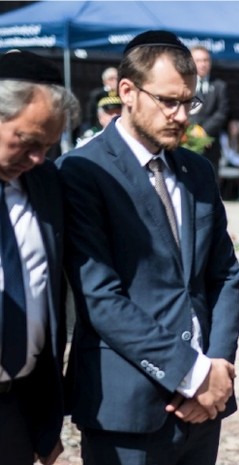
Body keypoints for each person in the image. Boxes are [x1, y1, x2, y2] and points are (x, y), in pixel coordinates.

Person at [57, 30, 239, 465]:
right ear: (127, 91)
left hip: (204, 408)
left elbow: (225, 275)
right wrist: (192, 373)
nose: (181, 115)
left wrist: (217, 367)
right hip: (127, 407)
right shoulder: (82, 171)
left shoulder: (197, 170)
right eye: (168, 101)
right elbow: (100, 299)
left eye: (189, 102)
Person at [0, 49, 79, 465]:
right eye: (28, 142)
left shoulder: (45, 182)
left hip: (16, 408)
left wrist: (45, 422)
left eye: (47, 147)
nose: (37, 159)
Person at [188, 45, 229, 182]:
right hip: (187, 142)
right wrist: (191, 130)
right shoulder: (183, 85)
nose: (203, 64)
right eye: (198, 60)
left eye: (206, 60)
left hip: (211, 145)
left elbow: (222, 112)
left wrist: (203, 131)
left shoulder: (219, 86)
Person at [82, 66, 118, 133]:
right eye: (111, 79)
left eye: (117, 78)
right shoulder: (97, 94)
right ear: (104, 81)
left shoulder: (123, 94)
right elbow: (91, 115)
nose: (115, 81)